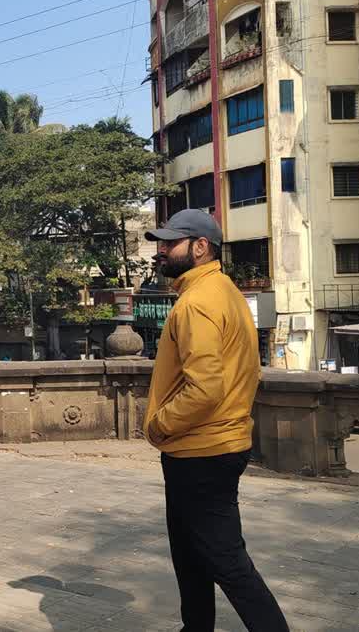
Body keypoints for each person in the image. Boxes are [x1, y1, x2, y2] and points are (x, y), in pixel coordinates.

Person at [143, 210, 288, 632]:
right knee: (191, 556)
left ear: (200, 247)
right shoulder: (225, 291)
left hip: (200, 451)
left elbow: (204, 388)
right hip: (213, 445)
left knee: (226, 561)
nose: (161, 250)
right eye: (161, 242)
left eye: (171, 242)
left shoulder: (197, 303)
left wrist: (159, 425)